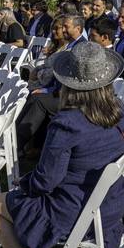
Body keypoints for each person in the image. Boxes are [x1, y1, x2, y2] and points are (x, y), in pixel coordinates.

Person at [0, 41, 124, 248]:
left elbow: (46, 182)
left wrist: (23, 182)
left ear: (69, 84)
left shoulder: (68, 123)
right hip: (107, 209)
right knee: (25, 199)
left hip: (75, 213)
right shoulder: (118, 112)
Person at [15, 15, 88, 156]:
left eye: (67, 27)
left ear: (78, 29)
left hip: (71, 96)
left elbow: (71, 78)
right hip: (58, 89)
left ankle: (17, 144)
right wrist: (45, 89)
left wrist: (47, 90)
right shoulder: (72, 44)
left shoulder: (81, 47)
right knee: (34, 96)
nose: (64, 29)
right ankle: (18, 141)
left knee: (39, 101)